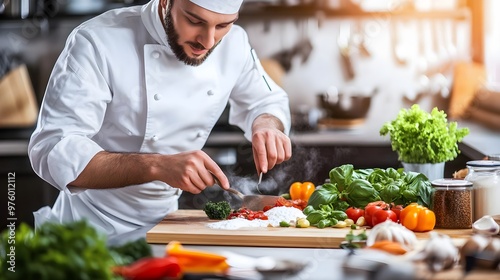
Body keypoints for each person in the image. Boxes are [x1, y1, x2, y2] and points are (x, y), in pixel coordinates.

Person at [28, 0, 292, 245]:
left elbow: (266, 100)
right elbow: (52, 148)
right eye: (195, 20)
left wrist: (267, 125)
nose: (208, 41)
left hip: (168, 226)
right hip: (88, 230)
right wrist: (157, 165)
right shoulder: (98, 41)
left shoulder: (236, 43)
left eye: (223, 25)